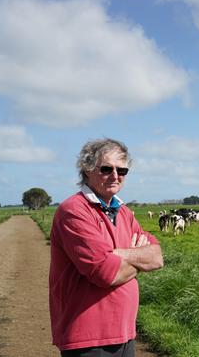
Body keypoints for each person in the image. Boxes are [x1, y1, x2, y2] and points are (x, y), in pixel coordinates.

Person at [49, 138, 163, 356]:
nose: (115, 176)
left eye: (122, 170)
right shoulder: (74, 210)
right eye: (106, 169)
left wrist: (118, 255)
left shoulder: (123, 211)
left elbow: (157, 257)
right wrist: (138, 258)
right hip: (88, 338)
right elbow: (105, 274)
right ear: (87, 169)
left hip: (125, 333)